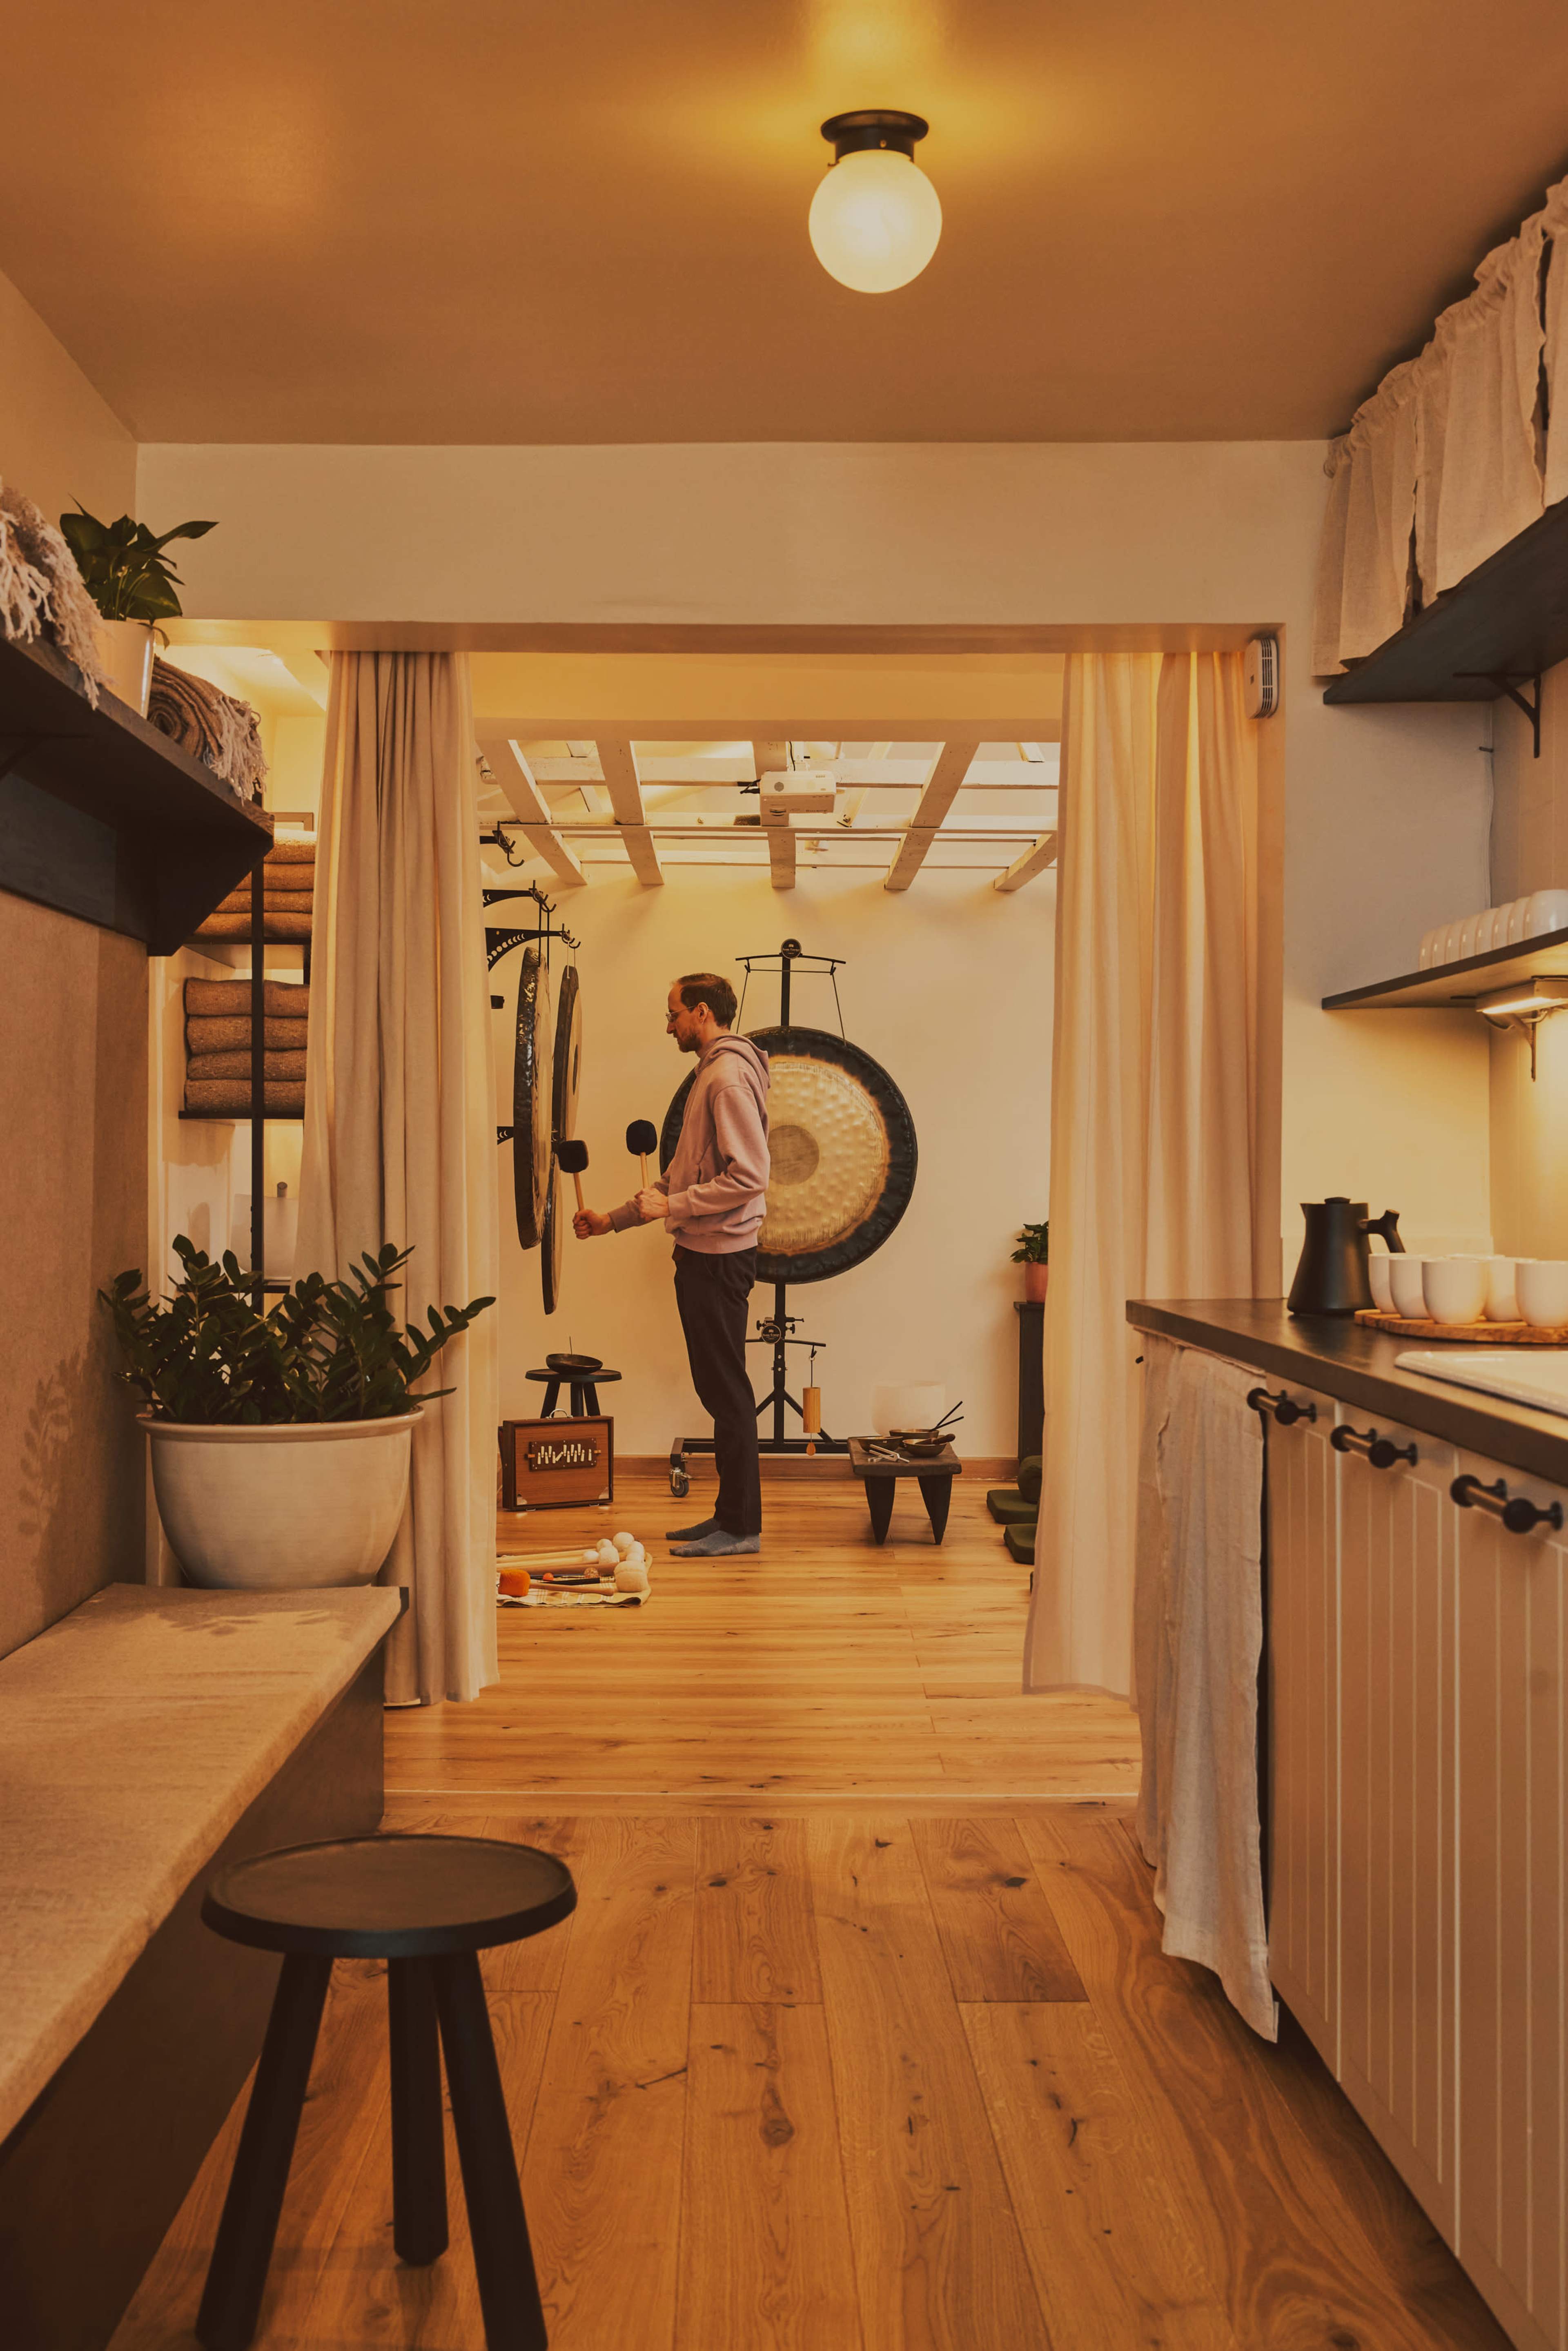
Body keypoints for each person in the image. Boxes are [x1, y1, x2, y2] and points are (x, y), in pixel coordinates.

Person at [574, 972, 770, 1557]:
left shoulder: (728, 1077)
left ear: (703, 1013)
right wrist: (614, 1219)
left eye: (674, 1013)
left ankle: (741, 1528)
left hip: (719, 1258)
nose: (668, 1025)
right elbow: (680, 1176)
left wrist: (675, 1207)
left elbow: (749, 1176)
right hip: (703, 1253)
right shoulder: (711, 1072)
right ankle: (727, 1516)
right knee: (718, 1389)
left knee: (727, 1392)